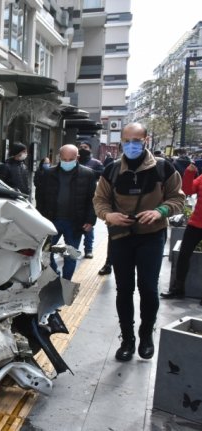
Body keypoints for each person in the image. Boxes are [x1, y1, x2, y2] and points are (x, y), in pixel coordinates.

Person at [93, 122, 184, 362]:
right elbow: (100, 201)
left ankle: (146, 335)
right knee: (123, 289)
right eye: (127, 140)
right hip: (121, 237)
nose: (132, 145)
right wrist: (108, 215)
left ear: (146, 140)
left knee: (148, 288)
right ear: (121, 141)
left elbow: (178, 198)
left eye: (137, 140)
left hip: (151, 236)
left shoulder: (163, 168)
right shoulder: (111, 170)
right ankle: (127, 338)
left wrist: (161, 210)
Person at [36, 145, 96, 280]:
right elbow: (40, 198)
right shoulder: (48, 174)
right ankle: (54, 275)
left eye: (71, 159)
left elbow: (93, 199)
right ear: (59, 157)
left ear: (77, 158)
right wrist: (39, 218)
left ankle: (66, 280)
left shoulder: (87, 174)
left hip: (75, 222)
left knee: (71, 254)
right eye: (64, 159)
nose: (67, 162)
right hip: (51, 221)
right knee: (45, 251)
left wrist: (90, 220)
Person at [161, 162, 202, 304]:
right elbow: (187, 190)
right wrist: (189, 173)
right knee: (183, 255)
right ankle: (178, 289)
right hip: (196, 224)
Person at [78, 142, 104, 259]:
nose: (83, 149)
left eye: (85, 147)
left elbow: (101, 174)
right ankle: (71, 249)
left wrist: (87, 172)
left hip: (89, 197)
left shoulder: (96, 163)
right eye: (81, 147)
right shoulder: (74, 161)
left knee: (88, 226)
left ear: (90, 149)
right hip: (75, 197)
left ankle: (88, 249)